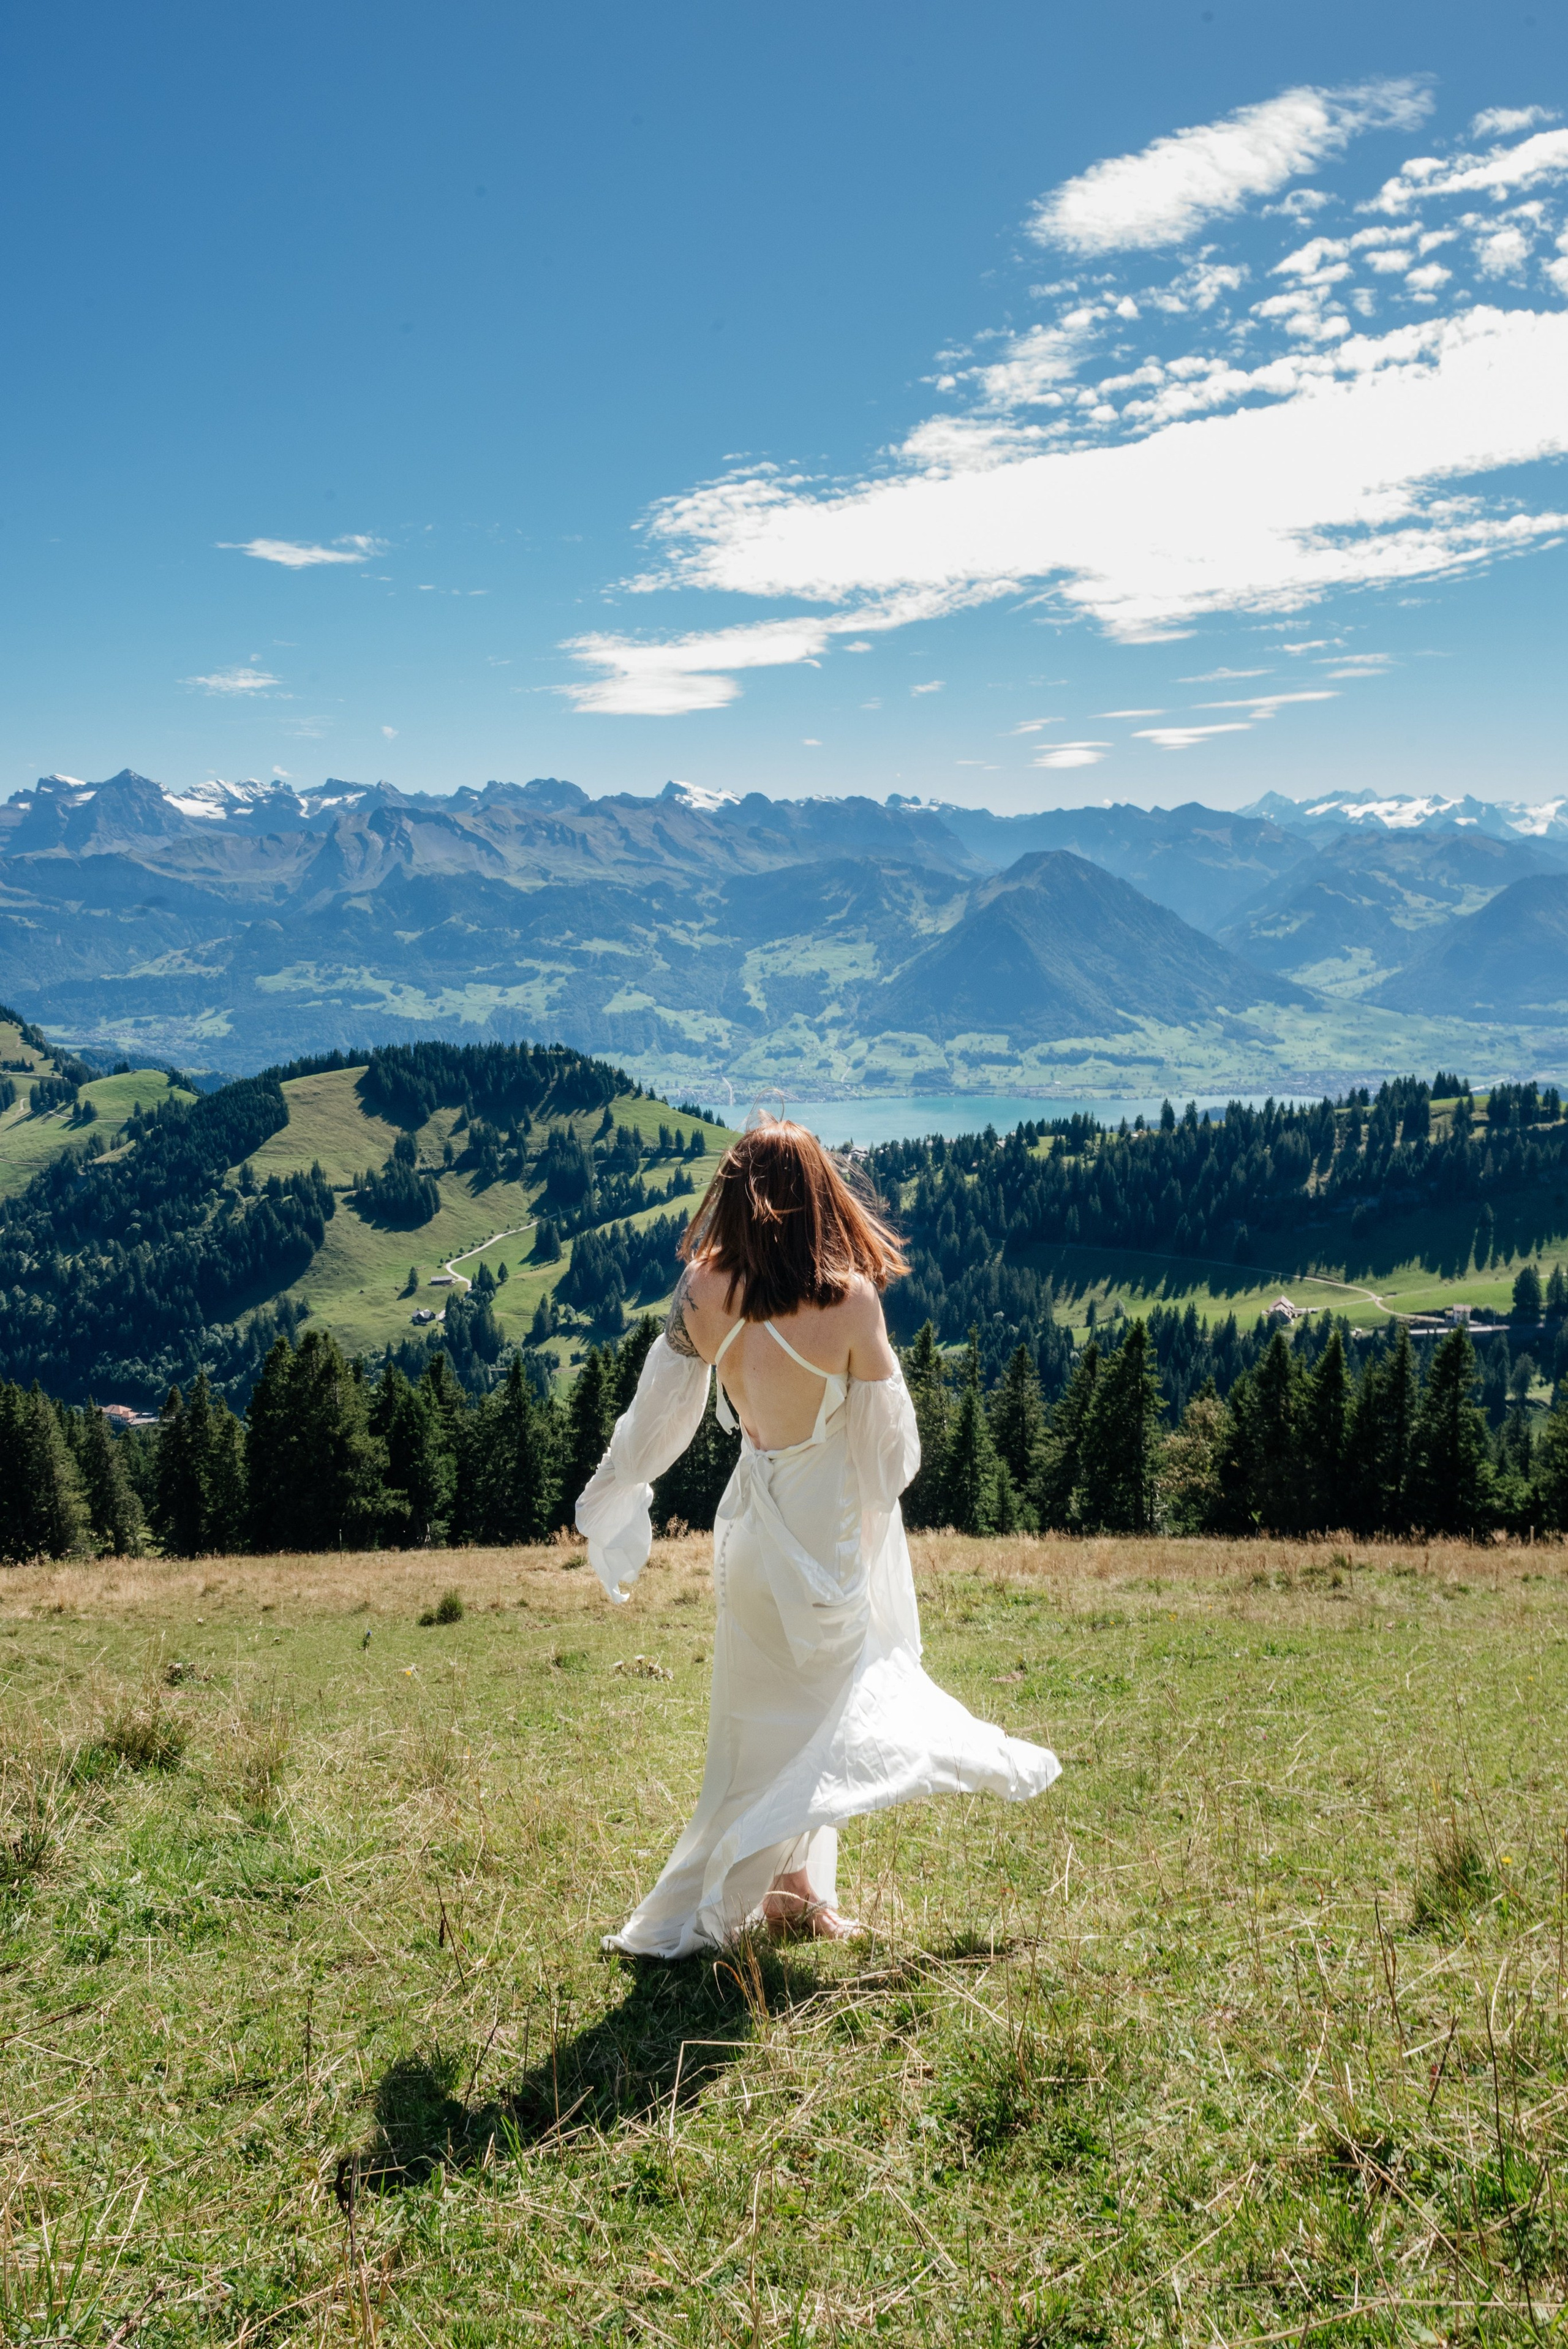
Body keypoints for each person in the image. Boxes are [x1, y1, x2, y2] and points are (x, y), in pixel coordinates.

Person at [575, 1117, 1059, 1956]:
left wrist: (614, 1488)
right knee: (824, 1723)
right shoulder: (848, 1302)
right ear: (818, 1197)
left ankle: (793, 1896)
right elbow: (893, 1457)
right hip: (822, 1552)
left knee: (755, 1732)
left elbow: (658, 1416)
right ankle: (749, 1899)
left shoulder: (703, 1292)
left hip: (749, 1542)